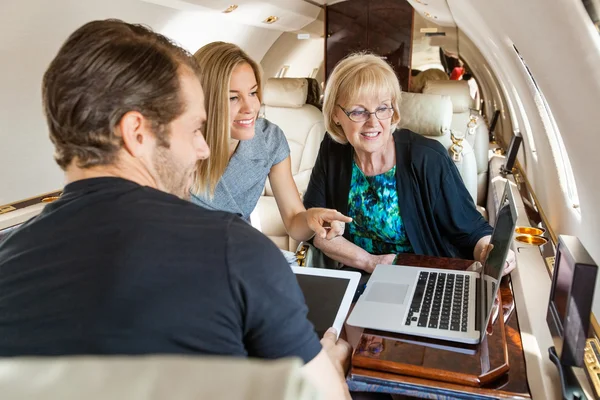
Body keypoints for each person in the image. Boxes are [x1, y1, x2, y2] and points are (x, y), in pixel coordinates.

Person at [0, 20, 351, 400]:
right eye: (195, 129)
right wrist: (327, 373)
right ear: (137, 133)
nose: (202, 149)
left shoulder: (7, 259)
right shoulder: (237, 252)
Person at [303, 53, 516, 274]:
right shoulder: (332, 150)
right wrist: (370, 262)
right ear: (336, 114)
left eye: (383, 108)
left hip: (422, 278)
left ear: (393, 111)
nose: (373, 122)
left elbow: (472, 230)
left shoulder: (429, 158)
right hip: (356, 276)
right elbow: (316, 227)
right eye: (358, 111)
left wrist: (489, 251)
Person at [190, 42, 351, 242]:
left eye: (253, 93)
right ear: (205, 100)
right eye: (233, 98)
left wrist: (310, 219)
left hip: (237, 252)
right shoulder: (178, 145)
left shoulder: (269, 140)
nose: (250, 107)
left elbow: (294, 221)